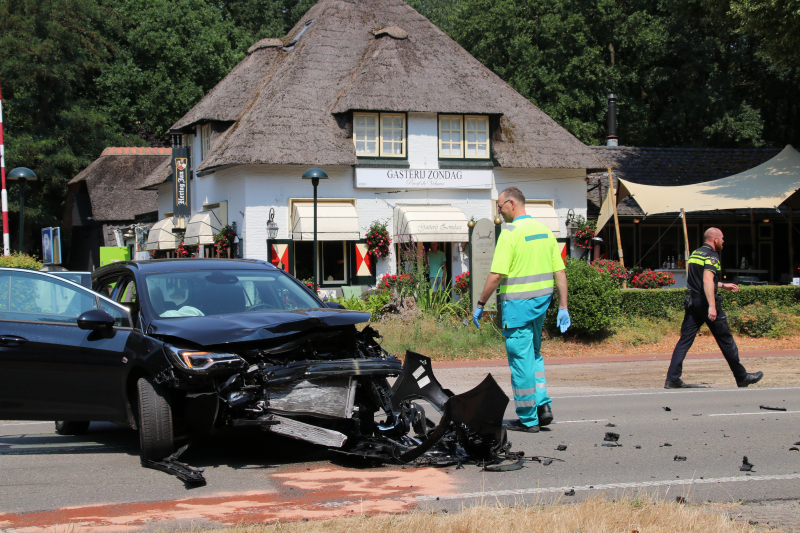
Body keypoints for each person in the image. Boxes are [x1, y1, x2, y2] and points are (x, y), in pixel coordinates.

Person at [473, 187, 570, 433]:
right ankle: (543, 407)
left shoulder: (510, 234)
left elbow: (496, 275)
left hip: (517, 309)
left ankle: (528, 419)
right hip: (540, 306)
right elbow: (559, 272)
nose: (499, 210)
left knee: (520, 361)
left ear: (512, 203)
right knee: (534, 356)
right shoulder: (545, 232)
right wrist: (563, 306)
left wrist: (480, 304)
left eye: (500, 206)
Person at [665, 227, 763, 389]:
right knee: (725, 339)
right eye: (722, 238)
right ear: (715, 240)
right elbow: (707, 281)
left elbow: (699, 280)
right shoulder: (712, 256)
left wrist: (724, 285)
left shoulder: (696, 253)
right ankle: (741, 376)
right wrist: (711, 306)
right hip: (705, 302)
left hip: (692, 302)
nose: (724, 241)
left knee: (684, 340)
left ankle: (672, 378)